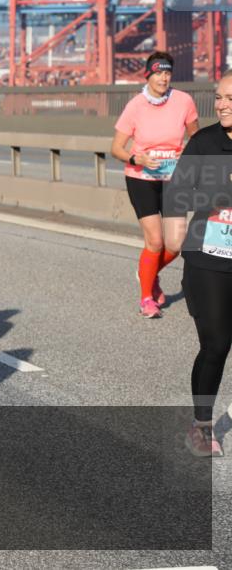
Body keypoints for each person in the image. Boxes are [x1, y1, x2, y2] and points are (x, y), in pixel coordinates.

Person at [163, 69, 232, 457]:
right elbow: (176, 193)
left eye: (230, 99)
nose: (221, 105)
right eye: (219, 97)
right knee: (217, 343)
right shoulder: (204, 143)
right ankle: (201, 427)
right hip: (208, 260)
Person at [110, 51, 199, 318]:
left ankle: (148, 272)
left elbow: (197, 139)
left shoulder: (184, 101)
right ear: (148, 75)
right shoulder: (135, 106)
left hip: (174, 179)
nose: (163, 78)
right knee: (156, 241)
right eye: (158, 72)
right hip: (141, 179)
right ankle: (147, 299)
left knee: (175, 244)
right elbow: (116, 148)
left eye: (167, 72)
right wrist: (135, 157)